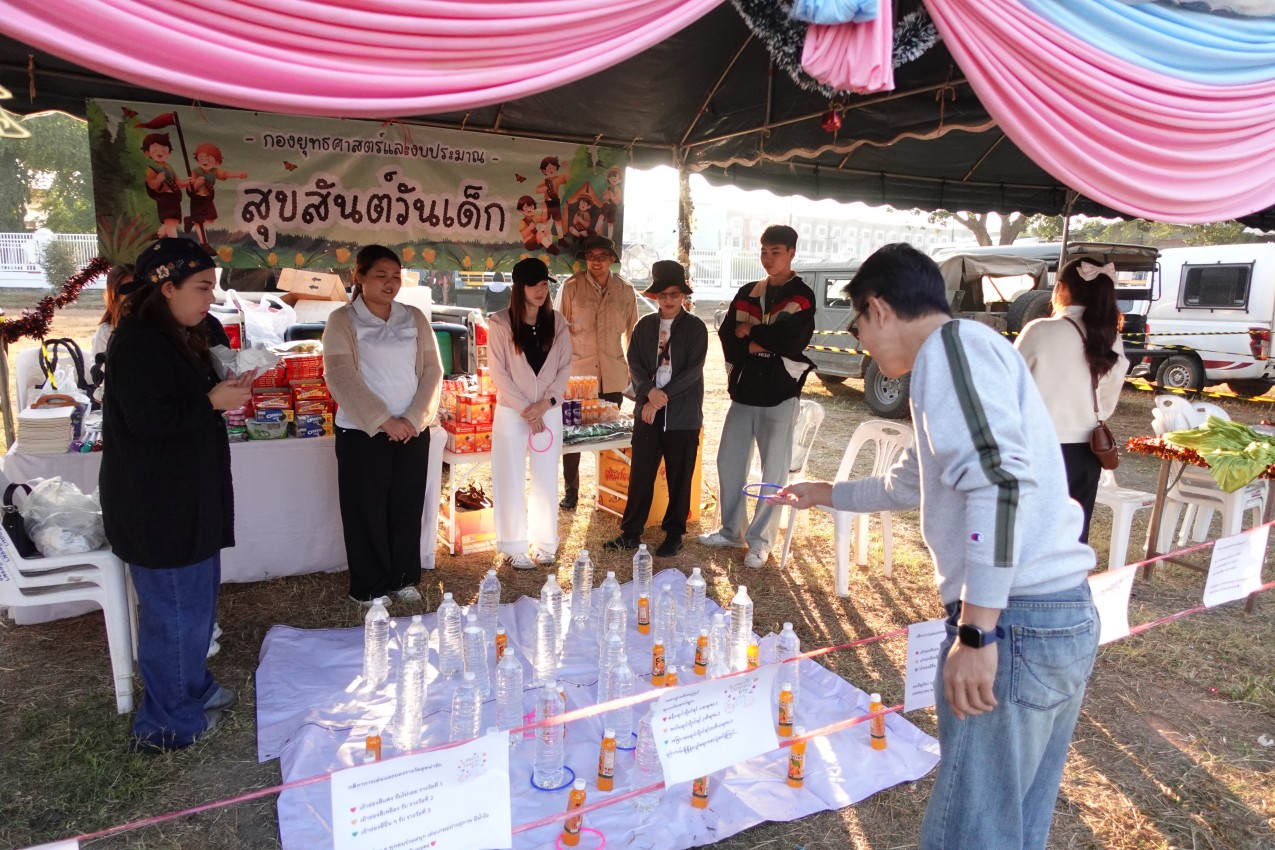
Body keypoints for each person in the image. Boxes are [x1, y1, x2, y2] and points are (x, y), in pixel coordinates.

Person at [775, 243, 1099, 850]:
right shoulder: (959, 356)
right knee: (1011, 824)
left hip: (1017, 619)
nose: (861, 341)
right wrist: (824, 493)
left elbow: (999, 485)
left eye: (858, 324)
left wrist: (977, 633)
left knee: (974, 830)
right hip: (1050, 613)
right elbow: (909, 483)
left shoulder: (950, 355)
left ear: (879, 309)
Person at [99, 238, 253, 752]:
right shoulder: (137, 342)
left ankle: (192, 688)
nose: (212, 297)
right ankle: (165, 724)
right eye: (202, 287)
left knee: (196, 606)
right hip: (157, 505)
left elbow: (191, 400)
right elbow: (148, 422)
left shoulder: (181, 334)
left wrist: (226, 385)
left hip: (191, 497)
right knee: (173, 616)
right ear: (167, 288)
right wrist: (211, 401)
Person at [323, 245, 442, 605]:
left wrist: (413, 419)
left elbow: (432, 371)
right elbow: (340, 376)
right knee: (366, 509)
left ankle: (402, 578)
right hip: (363, 432)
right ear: (359, 276)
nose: (390, 283)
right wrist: (384, 420)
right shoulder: (343, 320)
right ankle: (369, 587)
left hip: (411, 431)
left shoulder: (413, 316)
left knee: (406, 505)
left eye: (396, 276)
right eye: (380, 275)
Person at [698, 224, 815, 567]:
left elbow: (793, 342)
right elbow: (727, 335)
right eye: (763, 251)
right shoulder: (748, 292)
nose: (767, 258)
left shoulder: (801, 296)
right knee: (729, 462)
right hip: (744, 393)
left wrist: (751, 332)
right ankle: (731, 531)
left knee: (773, 473)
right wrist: (757, 341)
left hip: (780, 395)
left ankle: (761, 542)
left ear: (791, 253)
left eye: (775, 252)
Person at [1015, 258, 1127, 543]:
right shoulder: (1111, 337)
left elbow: (1008, 389)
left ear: (1061, 288)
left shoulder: (1040, 330)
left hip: (1037, 448)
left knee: (1027, 538)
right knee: (1072, 539)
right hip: (1087, 451)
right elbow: (1107, 401)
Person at [603, 261, 707, 557]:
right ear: (654, 296)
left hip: (682, 415)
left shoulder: (696, 327)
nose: (669, 300)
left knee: (679, 476)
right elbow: (634, 362)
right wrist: (649, 393)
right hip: (648, 412)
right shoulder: (645, 325)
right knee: (641, 473)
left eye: (674, 294)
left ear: (684, 294)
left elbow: (692, 371)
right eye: (662, 294)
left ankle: (674, 533)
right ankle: (630, 532)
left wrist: (660, 398)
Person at [487, 258, 573, 568]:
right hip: (513, 411)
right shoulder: (500, 323)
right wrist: (527, 409)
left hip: (548, 411)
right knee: (509, 474)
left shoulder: (558, 323)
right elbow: (498, 372)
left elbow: (564, 368)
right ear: (519, 287)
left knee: (546, 476)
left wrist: (546, 404)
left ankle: (546, 542)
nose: (540, 290)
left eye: (544, 284)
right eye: (533, 284)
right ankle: (514, 545)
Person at [554, 234, 638, 510]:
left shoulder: (625, 290)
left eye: (602, 256)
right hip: (578, 377)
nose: (596, 262)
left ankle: (610, 490)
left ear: (612, 259)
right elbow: (558, 332)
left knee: (612, 435)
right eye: (591, 257)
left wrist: (635, 375)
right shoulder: (571, 287)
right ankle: (571, 491)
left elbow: (633, 335)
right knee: (572, 436)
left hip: (613, 375)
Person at [90, 262, 135, 362]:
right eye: (126, 290)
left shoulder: (153, 324)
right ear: (114, 295)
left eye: (136, 288)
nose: (133, 295)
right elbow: (101, 369)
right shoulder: (106, 332)